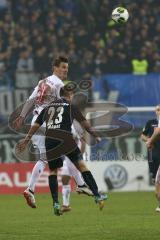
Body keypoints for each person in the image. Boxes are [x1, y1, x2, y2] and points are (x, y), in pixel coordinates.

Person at [12, 56, 91, 208]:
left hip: (36, 122)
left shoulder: (42, 82)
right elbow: (63, 108)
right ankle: (31, 189)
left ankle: (79, 184)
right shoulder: (59, 85)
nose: (65, 71)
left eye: (67, 69)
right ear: (54, 67)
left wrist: (22, 116)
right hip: (45, 125)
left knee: (52, 157)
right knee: (55, 156)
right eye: (62, 68)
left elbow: (30, 100)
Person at [17, 88, 107, 215]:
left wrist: (26, 141)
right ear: (69, 95)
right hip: (65, 139)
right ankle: (97, 195)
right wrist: (95, 135)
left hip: (50, 141)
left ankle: (56, 203)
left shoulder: (48, 107)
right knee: (81, 166)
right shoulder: (71, 106)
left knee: (53, 171)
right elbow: (85, 124)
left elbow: (36, 125)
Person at [61, 121, 93, 213]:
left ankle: (96, 193)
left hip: (76, 155)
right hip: (68, 156)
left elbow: (82, 141)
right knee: (65, 179)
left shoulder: (75, 125)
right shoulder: (59, 125)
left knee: (75, 178)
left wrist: (80, 156)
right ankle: (66, 205)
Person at [141, 105, 160, 212]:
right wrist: (149, 140)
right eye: (157, 110)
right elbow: (142, 136)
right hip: (153, 154)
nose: (158, 111)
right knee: (155, 181)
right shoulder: (150, 122)